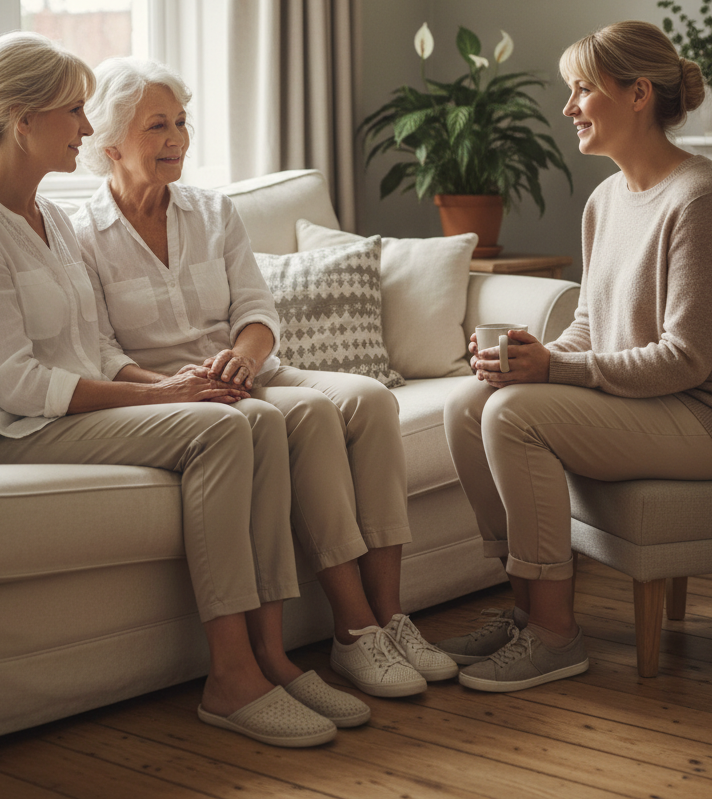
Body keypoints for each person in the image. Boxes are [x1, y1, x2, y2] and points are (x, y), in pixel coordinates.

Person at [0, 31, 354, 748]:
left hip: (69, 413)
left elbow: (96, 349)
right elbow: (18, 384)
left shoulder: (51, 219)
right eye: (73, 111)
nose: (86, 128)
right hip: (13, 432)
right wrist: (163, 398)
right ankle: (229, 678)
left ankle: (272, 654)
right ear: (24, 121)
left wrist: (179, 383)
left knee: (255, 415)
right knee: (221, 427)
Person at [73, 56, 458, 702]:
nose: (176, 139)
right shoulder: (80, 234)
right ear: (109, 143)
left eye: (181, 122)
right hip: (170, 395)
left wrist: (246, 360)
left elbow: (256, 310)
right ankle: (353, 628)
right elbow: (100, 350)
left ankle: (391, 618)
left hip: (252, 371)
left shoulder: (211, 211)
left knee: (368, 398)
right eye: (157, 126)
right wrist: (173, 385)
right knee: (305, 414)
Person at [436, 20, 712, 693]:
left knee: (511, 416)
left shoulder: (702, 197)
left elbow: (686, 359)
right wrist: (534, 357)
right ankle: (525, 613)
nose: (568, 108)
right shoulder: (603, 201)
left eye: (582, 90)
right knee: (468, 405)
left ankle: (555, 635)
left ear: (638, 95)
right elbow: (590, 328)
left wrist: (555, 372)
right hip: (651, 405)